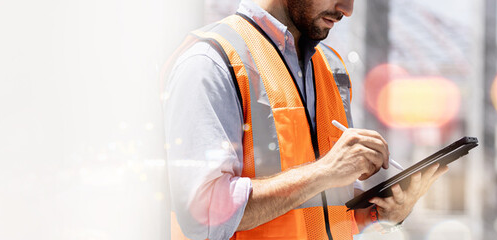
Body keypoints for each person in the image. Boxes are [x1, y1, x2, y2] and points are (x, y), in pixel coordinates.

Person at [162, 0, 449, 239]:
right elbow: (203, 215)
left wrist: (380, 214)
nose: (347, 9)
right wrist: (323, 172)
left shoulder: (330, 66)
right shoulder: (210, 63)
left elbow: (321, 214)